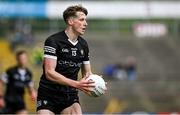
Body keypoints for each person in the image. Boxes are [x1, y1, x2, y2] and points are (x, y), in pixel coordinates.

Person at [37, 5, 99, 114]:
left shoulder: (83, 45)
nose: (85, 23)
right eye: (81, 20)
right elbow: (49, 72)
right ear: (70, 21)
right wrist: (76, 84)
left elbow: (87, 73)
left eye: (85, 20)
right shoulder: (53, 41)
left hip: (70, 95)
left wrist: (96, 83)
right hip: (49, 94)